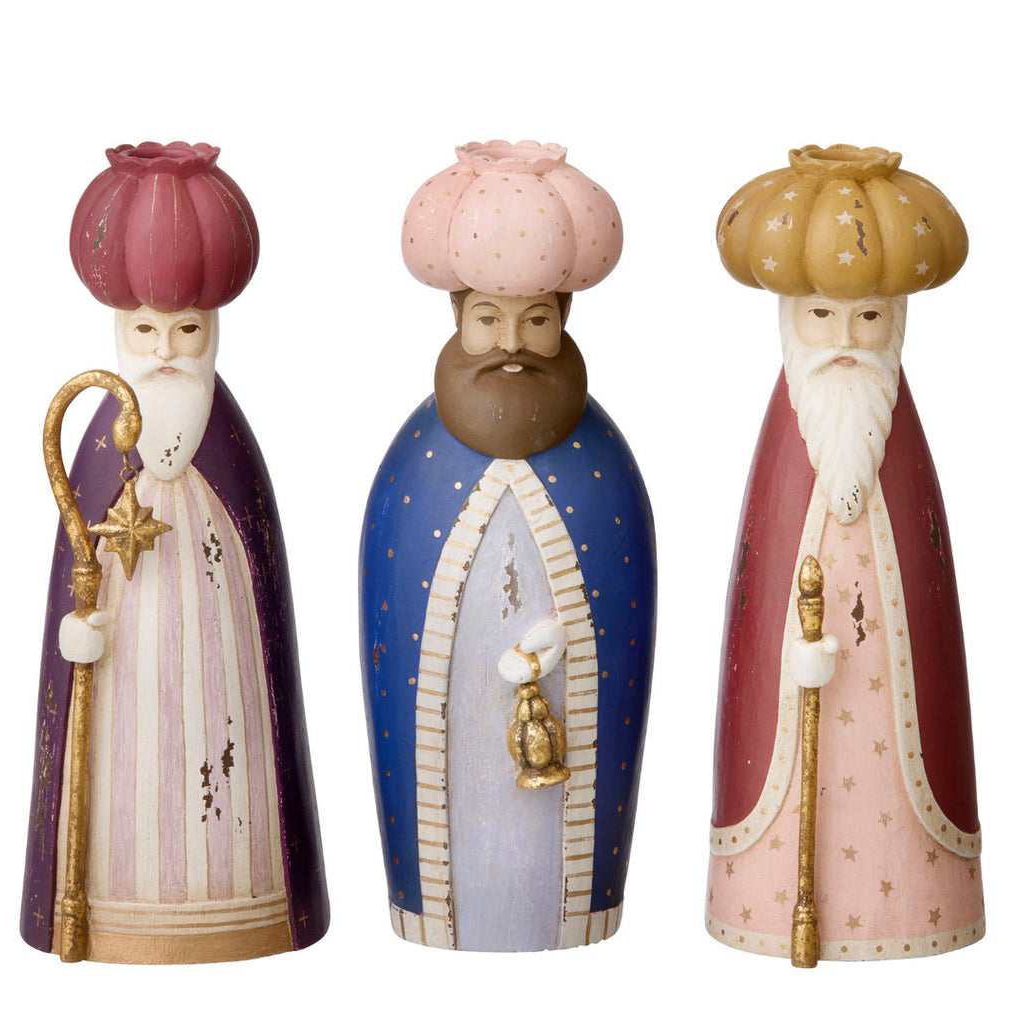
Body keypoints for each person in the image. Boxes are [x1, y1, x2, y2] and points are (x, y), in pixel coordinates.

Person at [21, 142, 328, 963]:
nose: (164, 351)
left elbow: (260, 594)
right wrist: (73, 637)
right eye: (145, 330)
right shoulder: (100, 449)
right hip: (120, 693)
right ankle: (103, 912)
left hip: (223, 697)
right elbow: (74, 581)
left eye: (187, 330)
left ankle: (248, 904)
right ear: (120, 331)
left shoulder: (228, 450)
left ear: (214, 330)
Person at [360, 141, 656, 951]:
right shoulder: (418, 460)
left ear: (563, 321)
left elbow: (622, 608)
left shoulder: (601, 459)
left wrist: (565, 642)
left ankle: (579, 910)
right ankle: (430, 906)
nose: (511, 342)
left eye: (537, 321)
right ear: (459, 319)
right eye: (488, 319)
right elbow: (395, 622)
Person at [707, 144, 983, 961]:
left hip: (894, 711)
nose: (846, 340)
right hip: (799, 705)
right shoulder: (788, 441)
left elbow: (924, 595)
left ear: (896, 321)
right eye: (821, 317)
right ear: (790, 319)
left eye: (868, 319)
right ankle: (766, 905)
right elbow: (761, 592)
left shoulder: (898, 440)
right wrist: (788, 661)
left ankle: (918, 909)